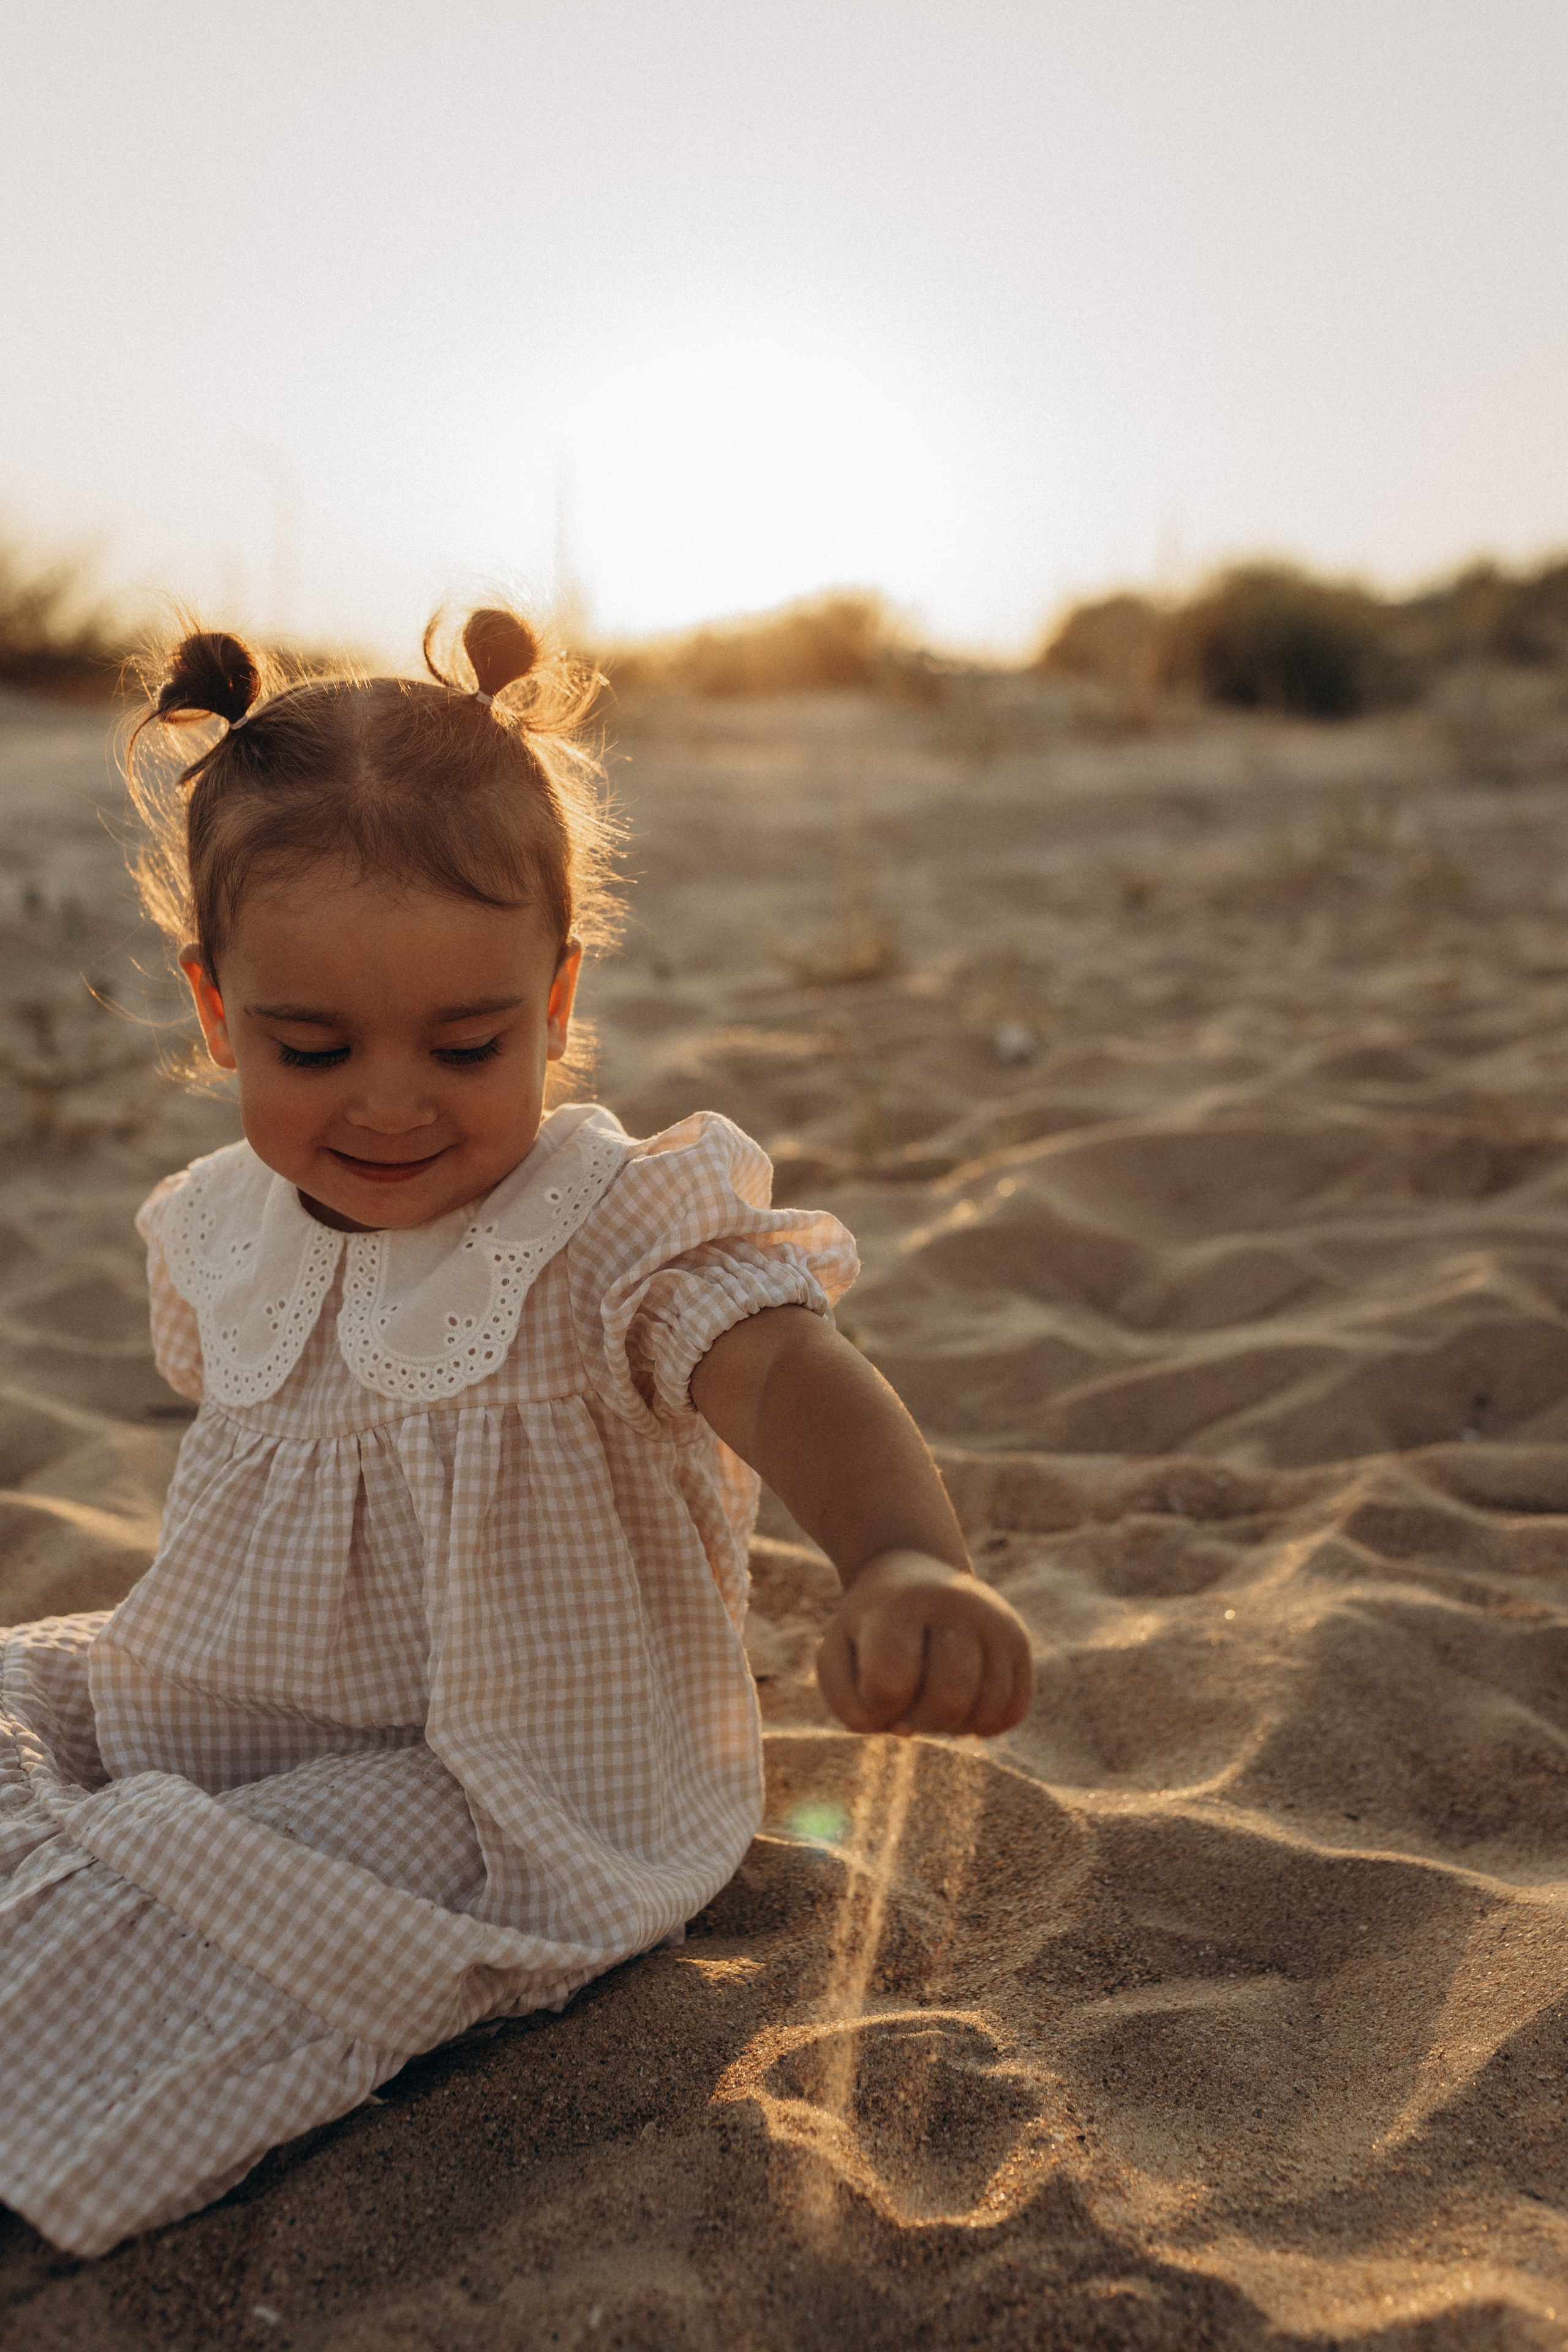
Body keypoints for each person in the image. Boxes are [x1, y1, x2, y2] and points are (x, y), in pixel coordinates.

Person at [0, 608, 1031, 2256]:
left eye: (467, 1045)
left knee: (191, 1911)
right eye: (311, 1048)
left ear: (555, 1003)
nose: (392, 1102)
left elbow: (782, 1372)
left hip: (489, 1775)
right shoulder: (217, 1223)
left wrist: (903, 1556)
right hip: (219, 1700)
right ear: (216, 1013)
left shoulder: (608, 1227)